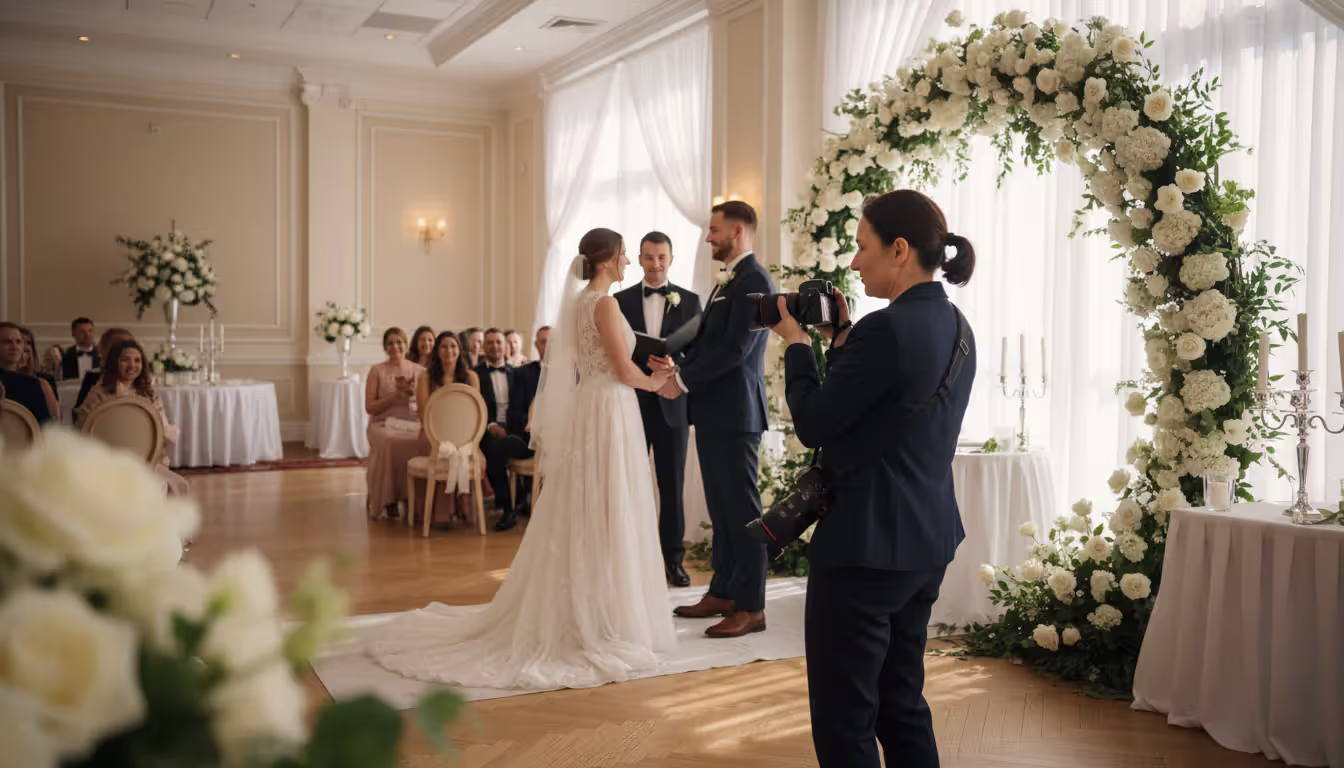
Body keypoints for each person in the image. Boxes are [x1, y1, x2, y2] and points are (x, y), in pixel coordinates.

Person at [369, 227, 675, 691]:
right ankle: (607, 616)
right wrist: (662, 382)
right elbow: (622, 368)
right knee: (612, 505)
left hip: (594, 407)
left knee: (591, 507)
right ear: (609, 259)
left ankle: (597, 604)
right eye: (625, 256)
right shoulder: (605, 303)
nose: (630, 262)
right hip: (610, 410)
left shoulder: (577, 305)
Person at [769, 190, 976, 768]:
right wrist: (840, 340)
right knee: (899, 701)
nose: (855, 263)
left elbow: (815, 423)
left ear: (901, 249)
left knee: (844, 719)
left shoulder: (884, 330)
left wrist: (795, 346)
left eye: (863, 248)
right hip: (924, 543)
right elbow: (878, 413)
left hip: (864, 547)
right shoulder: (959, 327)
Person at [650, 201, 774, 638]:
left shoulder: (755, 280)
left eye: (714, 230)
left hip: (737, 413)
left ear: (737, 231)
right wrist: (673, 364)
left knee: (743, 512)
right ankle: (723, 591)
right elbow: (709, 343)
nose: (708, 238)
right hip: (715, 410)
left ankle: (752, 606)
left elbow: (736, 351)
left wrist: (680, 381)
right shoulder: (729, 280)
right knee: (722, 511)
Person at [615, 231, 702, 587]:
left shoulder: (692, 301)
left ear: (671, 258)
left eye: (662, 257)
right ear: (638, 258)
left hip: (671, 401)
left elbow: (698, 351)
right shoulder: (618, 300)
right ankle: (630, 558)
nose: (655, 264)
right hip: (630, 402)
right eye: (649, 257)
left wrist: (672, 364)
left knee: (672, 485)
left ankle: (672, 560)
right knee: (629, 484)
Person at [77, 339, 192, 498]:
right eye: (125, 359)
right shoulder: (98, 394)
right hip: (108, 462)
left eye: (137, 360)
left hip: (145, 461)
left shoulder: (150, 394)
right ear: (114, 363)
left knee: (178, 485)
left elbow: (162, 430)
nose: (132, 365)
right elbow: (84, 430)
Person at [414, 331, 486, 525]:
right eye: (444, 346)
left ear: (459, 350)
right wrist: (443, 433)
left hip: (464, 437)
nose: (449, 350)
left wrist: (468, 440)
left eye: (453, 346)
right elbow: (423, 413)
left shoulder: (471, 377)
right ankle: (441, 513)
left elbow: (476, 413)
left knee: (471, 454)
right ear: (437, 351)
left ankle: (464, 509)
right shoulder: (425, 377)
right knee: (441, 453)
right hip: (433, 436)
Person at [476, 328, 535, 530]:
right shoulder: (476, 374)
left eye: (498, 342)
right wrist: (492, 425)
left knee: (504, 446)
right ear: (484, 347)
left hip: (517, 432)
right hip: (487, 431)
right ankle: (510, 507)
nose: (495, 346)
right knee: (494, 447)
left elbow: (527, 406)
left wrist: (511, 428)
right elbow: (475, 408)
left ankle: (508, 506)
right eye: (490, 342)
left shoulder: (519, 373)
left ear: (506, 346)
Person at [364, 327, 425, 519]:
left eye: (399, 342)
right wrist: (395, 396)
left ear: (406, 345)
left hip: (413, 422)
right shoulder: (377, 371)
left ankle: (413, 497)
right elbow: (370, 407)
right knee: (391, 442)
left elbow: (427, 403)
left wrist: (412, 394)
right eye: (390, 343)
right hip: (384, 423)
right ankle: (389, 497)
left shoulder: (420, 371)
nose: (395, 346)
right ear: (385, 347)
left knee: (420, 441)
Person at [0, 321, 52, 423]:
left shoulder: (32, 384)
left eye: (18, 342)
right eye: (7, 342)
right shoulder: (31, 384)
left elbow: (44, 426)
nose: (14, 346)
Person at [75, 328, 134, 410]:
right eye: (116, 349)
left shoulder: (140, 381)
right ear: (102, 351)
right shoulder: (93, 379)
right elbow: (80, 416)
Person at [16, 326, 60, 420]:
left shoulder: (45, 380)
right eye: (20, 342)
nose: (26, 347)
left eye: (28, 343)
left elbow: (55, 420)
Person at [61, 317, 99, 381]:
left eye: (90, 331)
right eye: (83, 332)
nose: (87, 334)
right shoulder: (67, 355)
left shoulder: (101, 354)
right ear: (73, 333)